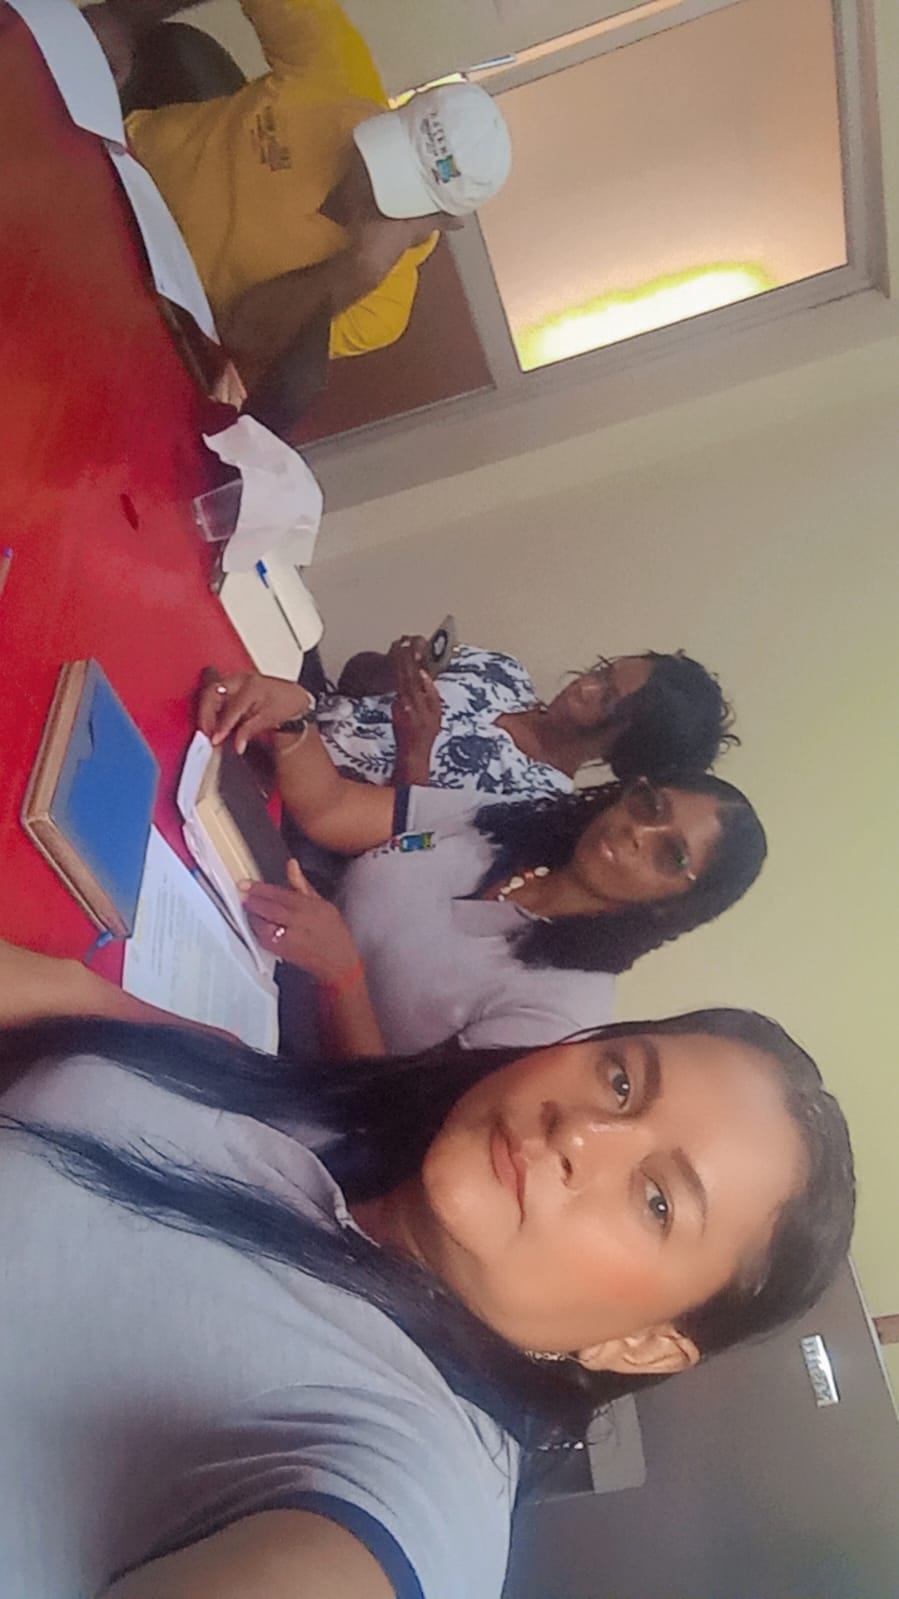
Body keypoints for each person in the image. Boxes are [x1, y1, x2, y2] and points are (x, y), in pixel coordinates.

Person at [0, 1000, 855, 1598]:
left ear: (640, 1345)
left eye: (657, 1200)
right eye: (621, 1081)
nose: (581, 1131)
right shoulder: (337, 1131)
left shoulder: (409, 1477)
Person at [197, 670, 766, 1057]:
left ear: (675, 906)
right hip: (250, 944)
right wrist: (293, 721)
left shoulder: (562, 1010)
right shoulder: (507, 822)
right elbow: (333, 809)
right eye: (650, 806)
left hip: (278, 1060)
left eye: (670, 855)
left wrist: (343, 978)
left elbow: (387, 1122)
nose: (638, 832)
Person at [89, 0, 512, 382]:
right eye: (388, 151)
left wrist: (357, 269)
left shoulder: (381, 309)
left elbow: (242, 334)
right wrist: (122, 19)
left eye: (400, 191)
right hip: (101, 174)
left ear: (445, 220)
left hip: (147, 312)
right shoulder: (337, 74)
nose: (365, 181)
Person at [318, 637, 737, 797]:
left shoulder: (535, 800)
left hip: (313, 798)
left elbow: (402, 852)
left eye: (608, 699)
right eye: (602, 671)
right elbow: (354, 679)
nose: (585, 687)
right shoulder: (503, 671)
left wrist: (416, 749)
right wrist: (396, 667)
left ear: (626, 747)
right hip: (302, 713)